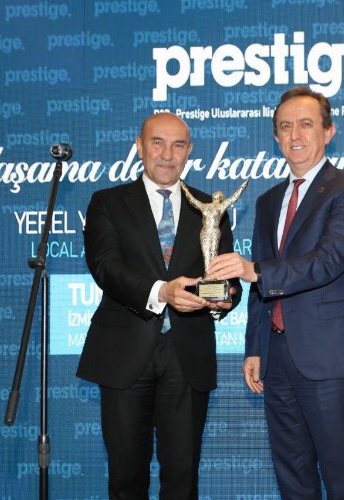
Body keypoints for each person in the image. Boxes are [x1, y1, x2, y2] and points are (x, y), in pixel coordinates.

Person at [208, 86, 344, 498]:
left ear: (329, 131)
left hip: (328, 354)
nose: (295, 135)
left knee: (341, 477)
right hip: (276, 356)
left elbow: (328, 261)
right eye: (285, 127)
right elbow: (260, 285)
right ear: (276, 137)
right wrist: (254, 347)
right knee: (292, 477)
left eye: (305, 124)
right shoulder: (268, 202)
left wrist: (253, 270)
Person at [76, 112, 241, 498]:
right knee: (126, 478)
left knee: (182, 478)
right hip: (124, 352)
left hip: (189, 354)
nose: (167, 154)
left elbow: (225, 278)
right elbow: (105, 267)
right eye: (157, 143)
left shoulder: (210, 206)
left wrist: (223, 299)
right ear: (139, 146)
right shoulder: (107, 202)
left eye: (178, 145)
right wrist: (162, 292)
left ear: (189, 151)